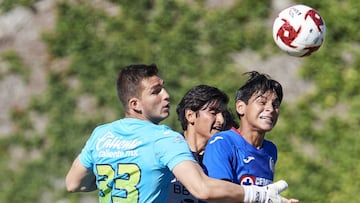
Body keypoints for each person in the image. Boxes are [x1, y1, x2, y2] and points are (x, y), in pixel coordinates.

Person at [65, 64, 295, 203]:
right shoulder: (165, 139)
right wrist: (260, 196)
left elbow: (74, 183)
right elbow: (203, 189)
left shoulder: (101, 134)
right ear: (135, 103)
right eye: (156, 92)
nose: (166, 95)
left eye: (163, 88)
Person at [203, 71, 298, 202]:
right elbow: (218, 194)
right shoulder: (222, 142)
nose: (270, 109)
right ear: (241, 107)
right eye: (262, 102)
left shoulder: (270, 150)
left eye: (275, 105)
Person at [167, 84, 231, 202]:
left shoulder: (220, 157)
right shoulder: (167, 149)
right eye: (213, 112)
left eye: (223, 114)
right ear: (190, 115)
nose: (221, 120)